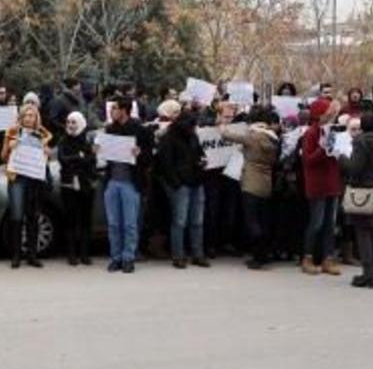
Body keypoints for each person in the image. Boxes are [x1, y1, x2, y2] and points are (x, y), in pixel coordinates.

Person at [220, 106, 280, 269]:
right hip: (266, 182)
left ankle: (258, 254)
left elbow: (226, 135)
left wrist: (222, 124)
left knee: (252, 220)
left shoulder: (253, 136)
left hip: (251, 182)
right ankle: (264, 253)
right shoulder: (273, 138)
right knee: (263, 219)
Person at [98, 97, 153, 274]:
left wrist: (139, 154)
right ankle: (116, 258)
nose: (111, 111)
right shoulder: (110, 129)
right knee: (113, 224)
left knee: (130, 224)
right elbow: (103, 156)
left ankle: (129, 257)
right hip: (112, 181)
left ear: (124, 110)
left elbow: (149, 159)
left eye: (114, 108)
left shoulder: (140, 130)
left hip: (131, 183)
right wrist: (97, 151)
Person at [338, 113, 373, 288]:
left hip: (363, 190)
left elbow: (354, 168)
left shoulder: (361, 142)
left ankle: (367, 273)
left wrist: (341, 158)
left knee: (363, 232)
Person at [2, 104, 53, 268]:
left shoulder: (43, 134)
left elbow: (46, 159)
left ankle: (32, 255)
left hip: (34, 179)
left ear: (36, 117)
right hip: (17, 178)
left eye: (32, 115)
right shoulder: (12, 132)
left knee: (33, 216)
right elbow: (2, 156)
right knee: (16, 216)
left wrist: (47, 153)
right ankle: (16, 255)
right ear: (21, 117)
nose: (29, 118)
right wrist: (10, 148)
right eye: (26, 115)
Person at [158, 111, 210, 269]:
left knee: (197, 221)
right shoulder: (169, 138)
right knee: (180, 221)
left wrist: (203, 161)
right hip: (181, 184)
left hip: (196, 181)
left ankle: (197, 254)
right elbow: (165, 163)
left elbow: (200, 153)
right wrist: (176, 183)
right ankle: (178, 255)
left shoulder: (193, 136)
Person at [302, 98, 343, 276]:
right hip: (317, 185)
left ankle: (328, 258)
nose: (332, 116)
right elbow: (308, 160)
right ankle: (307, 257)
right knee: (316, 223)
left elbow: (337, 157)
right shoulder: (311, 133)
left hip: (332, 184)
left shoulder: (333, 132)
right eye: (328, 113)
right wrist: (322, 148)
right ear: (320, 115)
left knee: (330, 225)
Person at [58, 112, 97, 266]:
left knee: (85, 220)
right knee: (71, 220)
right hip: (68, 185)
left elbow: (91, 160)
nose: (70, 125)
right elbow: (63, 160)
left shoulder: (87, 140)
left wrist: (78, 159)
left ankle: (85, 254)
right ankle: (72, 254)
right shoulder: (63, 140)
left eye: (73, 122)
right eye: (68, 122)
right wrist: (79, 157)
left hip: (86, 185)